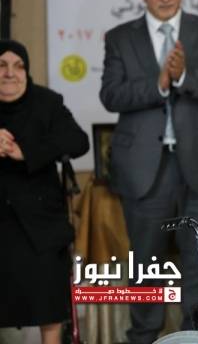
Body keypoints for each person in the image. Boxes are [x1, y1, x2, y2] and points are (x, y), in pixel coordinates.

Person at [99, 0, 198, 343]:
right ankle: (143, 336)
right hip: (144, 169)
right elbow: (111, 95)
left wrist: (185, 75)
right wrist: (159, 83)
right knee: (146, 262)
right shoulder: (120, 37)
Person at [0, 39, 89, 344]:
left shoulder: (46, 102)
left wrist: (26, 151)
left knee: (49, 305)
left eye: (18, 66)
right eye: (2, 65)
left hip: (41, 222)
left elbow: (78, 142)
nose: (10, 73)